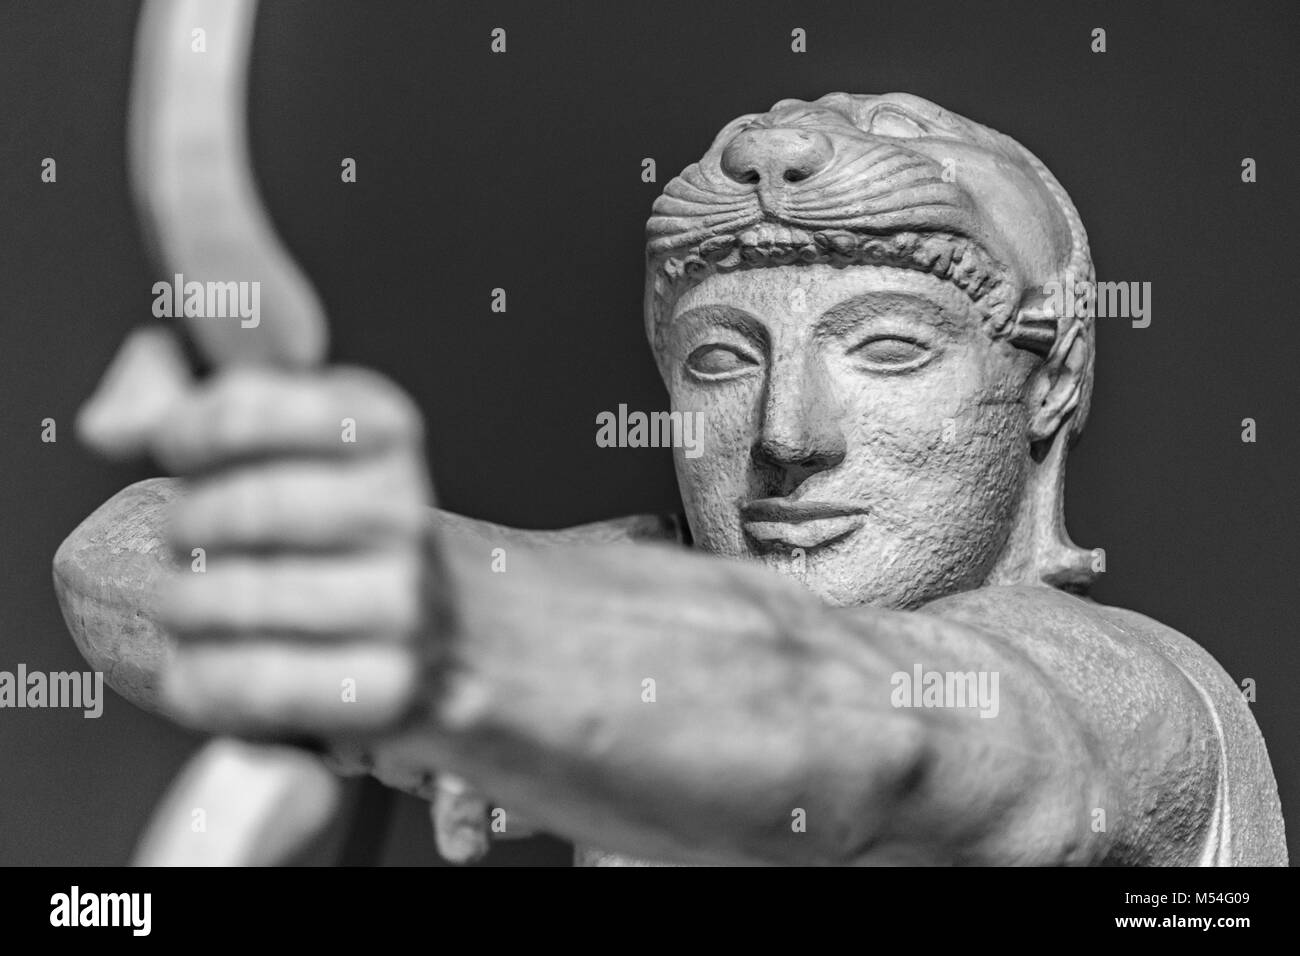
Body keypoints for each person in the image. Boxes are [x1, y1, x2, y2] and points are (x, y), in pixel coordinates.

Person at [54, 92, 1287, 865]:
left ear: (1049, 379)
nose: (791, 435)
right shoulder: (639, 589)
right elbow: (124, 556)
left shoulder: (1132, 696)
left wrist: (497, 676)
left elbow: (885, 738)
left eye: (887, 349)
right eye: (721, 361)